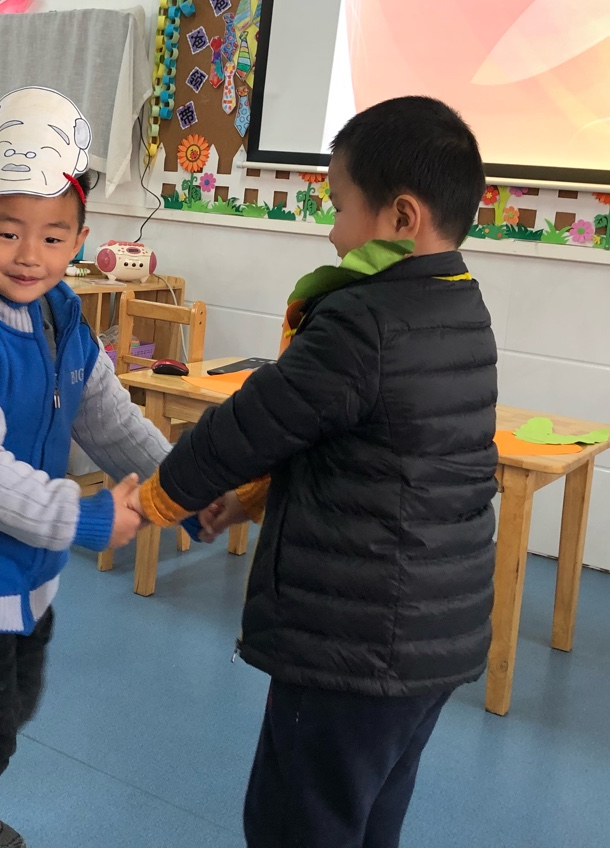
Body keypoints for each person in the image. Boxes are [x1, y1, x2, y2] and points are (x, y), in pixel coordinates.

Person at [137, 96, 499, 848]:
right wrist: (252, 499)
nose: (332, 232)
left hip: (352, 643)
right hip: (431, 637)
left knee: (295, 824)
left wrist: (156, 497)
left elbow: (253, 421)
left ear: (401, 217)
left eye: (339, 207)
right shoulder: (460, 306)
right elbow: (371, 450)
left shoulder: (362, 319)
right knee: (368, 817)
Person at [0, 86, 166, 848]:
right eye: (8, 231)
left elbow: (102, 409)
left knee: (6, 717)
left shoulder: (61, 312)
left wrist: (181, 482)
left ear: (80, 238)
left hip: (30, 570)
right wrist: (88, 517)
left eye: (53, 236)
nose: (29, 254)